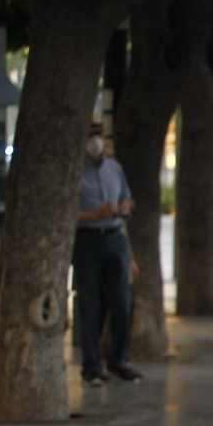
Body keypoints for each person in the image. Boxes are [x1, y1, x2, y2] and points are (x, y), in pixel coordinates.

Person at [74, 123, 140, 386]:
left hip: (115, 238)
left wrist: (124, 207)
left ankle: (119, 360)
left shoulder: (115, 169)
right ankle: (91, 365)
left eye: (99, 135)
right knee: (90, 304)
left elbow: (129, 199)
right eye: (91, 135)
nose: (96, 141)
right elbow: (67, 213)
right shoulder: (75, 171)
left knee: (122, 301)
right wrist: (94, 215)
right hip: (87, 240)